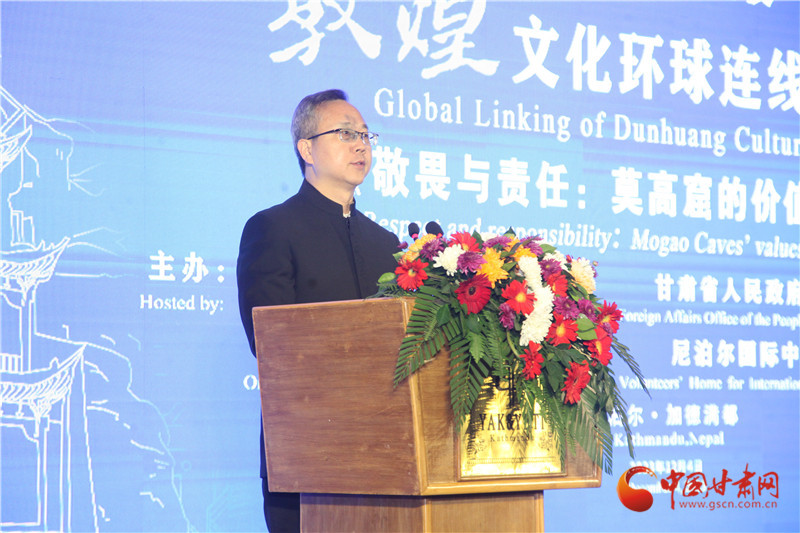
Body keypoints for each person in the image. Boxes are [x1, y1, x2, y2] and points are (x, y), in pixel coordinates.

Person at [236, 89, 400, 532]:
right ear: (306, 149)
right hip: (306, 454)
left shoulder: (386, 244)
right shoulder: (272, 228)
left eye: (365, 135)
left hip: (388, 455)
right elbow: (270, 343)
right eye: (345, 133)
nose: (361, 145)